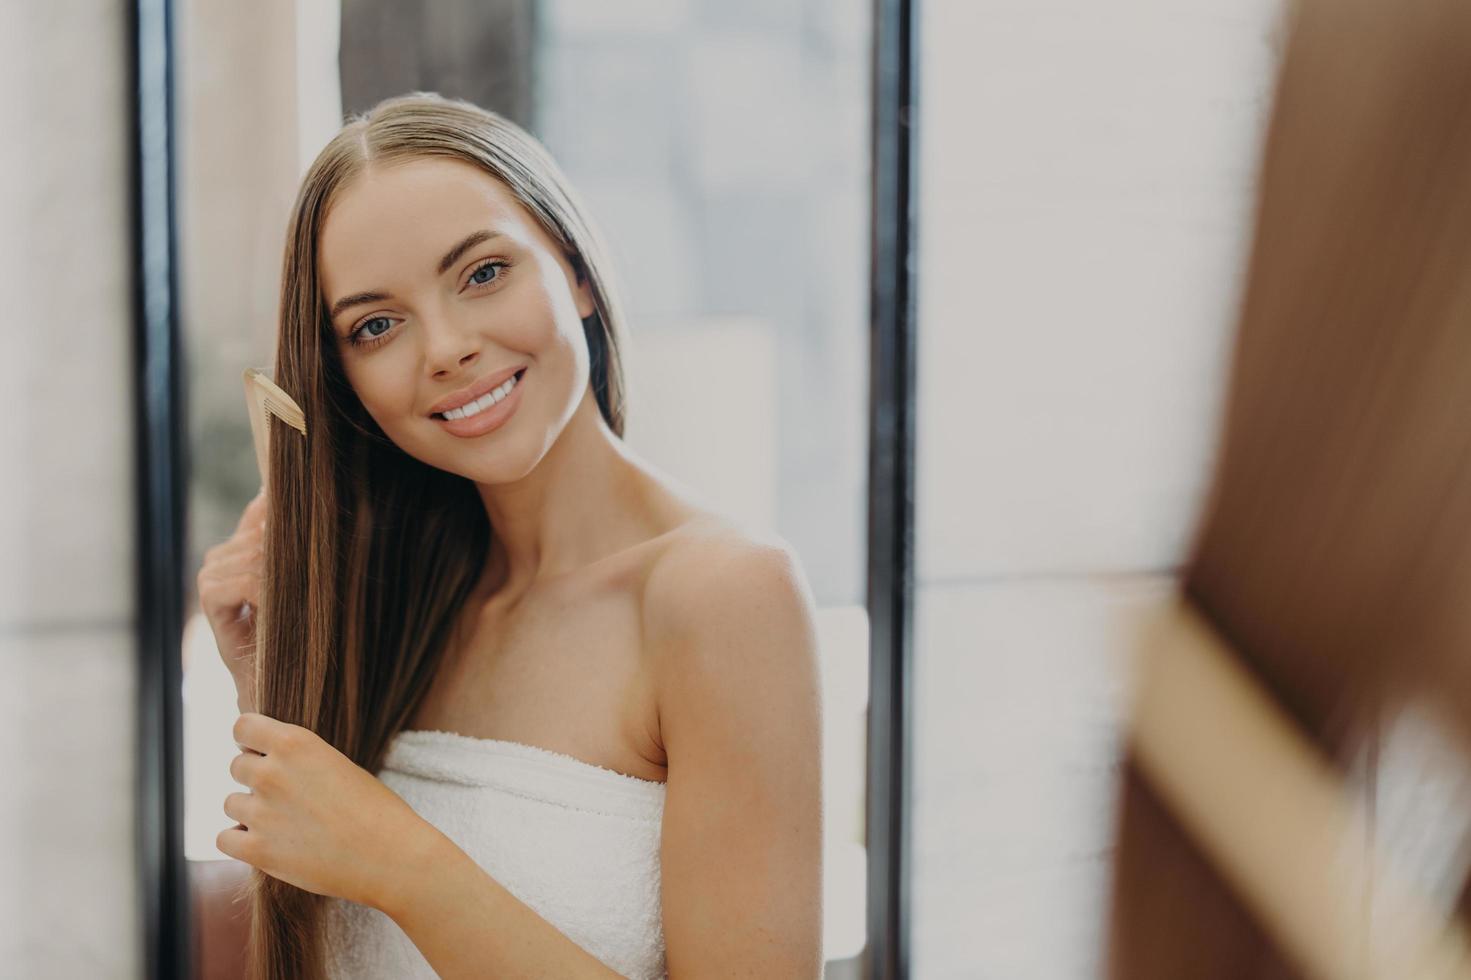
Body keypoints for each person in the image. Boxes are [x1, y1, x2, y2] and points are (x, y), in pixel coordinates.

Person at [195, 92, 824, 980]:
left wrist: (407, 865)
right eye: (376, 325)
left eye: (483, 272)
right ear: (346, 383)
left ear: (571, 268)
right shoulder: (398, 599)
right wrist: (267, 681)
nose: (446, 348)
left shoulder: (721, 594)